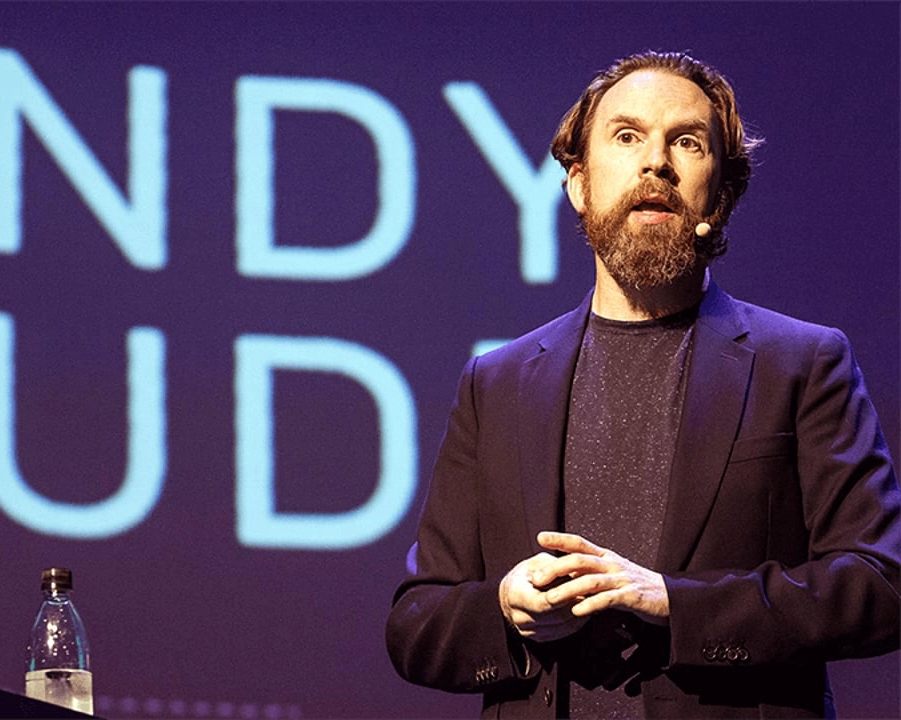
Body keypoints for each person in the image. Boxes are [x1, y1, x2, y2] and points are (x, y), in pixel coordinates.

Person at [385, 50, 901, 719]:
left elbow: (880, 585)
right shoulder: (498, 382)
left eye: (687, 142)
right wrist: (507, 607)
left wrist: (676, 604)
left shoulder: (801, 364)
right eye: (627, 136)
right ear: (578, 184)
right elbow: (418, 621)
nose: (655, 162)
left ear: (721, 196)